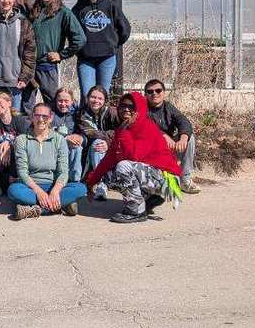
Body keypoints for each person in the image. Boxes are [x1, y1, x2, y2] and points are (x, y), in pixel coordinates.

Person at [85, 91, 183, 225]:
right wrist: (91, 181)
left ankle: (136, 211)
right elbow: (108, 159)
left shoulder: (147, 127)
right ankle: (148, 199)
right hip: (149, 173)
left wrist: (124, 132)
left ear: (140, 109)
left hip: (166, 178)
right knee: (108, 175)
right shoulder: (123, 129)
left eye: (131, 106)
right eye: (123, 106)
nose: (126, 109)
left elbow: (134, 156)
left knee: (123, 167)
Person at [8, 102, 87, 219]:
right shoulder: (21, 140)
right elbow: (22, 172)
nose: (41, 119)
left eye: (45, 116)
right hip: (30, 187)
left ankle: (34, 210)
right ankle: (60, 206)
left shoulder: (59, 139)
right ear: (32, 117)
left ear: (50, 118)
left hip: (53, 185)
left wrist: (55, 191)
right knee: (13, 190)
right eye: (37, 115)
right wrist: (39, 192)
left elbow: (63, 171)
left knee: (80, 188)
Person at [72, 0, 131, 96]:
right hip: (86, 58)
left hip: (107, 57)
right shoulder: (79, 8)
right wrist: (78, 48)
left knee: (102, 94)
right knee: (87, 94)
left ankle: (101, 116)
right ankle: (86, 116)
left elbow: (125, 29)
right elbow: (72, 30)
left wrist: (113, 44)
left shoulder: (110, 6)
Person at [29, 0, 86, 103]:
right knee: (27, 106)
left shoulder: (63, 13)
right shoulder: (33, 12)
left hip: (47, 65)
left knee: (52, 104)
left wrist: (61, 55)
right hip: (29, 66)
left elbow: (80, 39)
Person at [144, 79, 200, 194]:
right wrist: (163, 136)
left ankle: (185, 179)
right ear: (146, 95)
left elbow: (183, 121)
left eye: (158, 90)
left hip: (168, 148)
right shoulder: (142, 108)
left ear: (164, 93)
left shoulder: (168, 107)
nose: (154, 93)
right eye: (150, 92)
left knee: (190, 138)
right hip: (150, 152)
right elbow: (146, 127)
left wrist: (183, 138)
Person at [0, 89, 30, 197]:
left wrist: (9, 146)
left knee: (17, 152)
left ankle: (14, 180)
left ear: (9, 103)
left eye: (0, 102)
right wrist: (3, 146)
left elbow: (23, 142)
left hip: (14, 155)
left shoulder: (19, 120)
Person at [76, 85, 119, 199]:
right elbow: (91, 133)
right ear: (88, 98)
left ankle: (102, 182)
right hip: (90, 149)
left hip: (113, 148)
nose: (96, 101)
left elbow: (121, 131)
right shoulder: (82, 114)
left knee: (99, 142)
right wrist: (107, 138)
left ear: (105, 101)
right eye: (93, 97)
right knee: (97, 143)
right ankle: (101, 183)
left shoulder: (112, 112)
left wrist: (108, 143)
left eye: (100, 98)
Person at [52, 87, 84, 183]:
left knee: (77, 147)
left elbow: (84, 131)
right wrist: (65, 138)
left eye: (66, 101)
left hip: (72, 147)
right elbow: (45, 132)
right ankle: (59, 178)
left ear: (72, 101)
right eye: (60, 101)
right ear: (56, 101)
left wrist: (81, 138)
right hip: (54, 145)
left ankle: (74, 180)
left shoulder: (77, 114)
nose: (63, 104)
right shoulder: (50, 113)